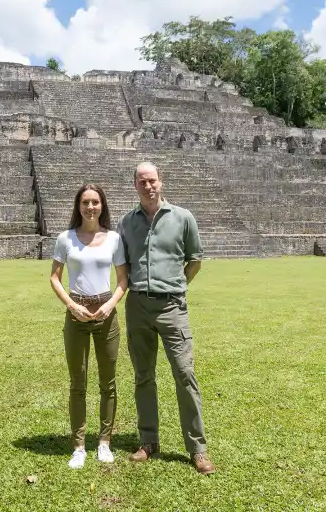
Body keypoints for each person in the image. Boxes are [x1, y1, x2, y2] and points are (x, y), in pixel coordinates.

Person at [116, 162, 216, 475]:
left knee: (185, 375)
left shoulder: (183, 218)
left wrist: (177, 286)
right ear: (135, 185)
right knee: (143, 375)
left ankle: (197, 448)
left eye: (152, 180)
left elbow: (195, 260)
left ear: (161, 182)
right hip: (137, 306)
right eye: (142, 182)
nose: (148, 186)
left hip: (172, 307)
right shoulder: (126, 222)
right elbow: (123, 265)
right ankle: (148, 441)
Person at [50, 184, 129, 470]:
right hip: (77, 314)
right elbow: (55, 278)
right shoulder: (65, 238)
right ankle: (79, 446)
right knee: (77, 383)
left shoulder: (114, 239)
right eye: (85, 202)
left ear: (102, 205)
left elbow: (123, 279)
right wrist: (72, 305)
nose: (90, 207)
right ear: (78, 206)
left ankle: (104, 442)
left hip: (106, 312)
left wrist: (110, 305)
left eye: (95, 202)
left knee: (108, 382)